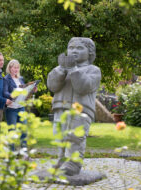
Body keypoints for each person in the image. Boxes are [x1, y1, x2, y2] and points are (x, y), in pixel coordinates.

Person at [47, 37, 101, 176]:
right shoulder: (60, 68)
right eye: (71, 48)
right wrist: (61, 69)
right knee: (60, 135)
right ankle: (61, 159)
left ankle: (73, 163)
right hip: (61, 107)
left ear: (89, 52)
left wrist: (73, 70)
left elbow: (83, 87)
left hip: (81, 109)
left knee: (75, 137)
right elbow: (52, 85)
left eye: (79, 48)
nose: (74, 51)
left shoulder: (93, 70)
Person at [3, 59, 28, 151]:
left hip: (21, 107)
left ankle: (24, 152)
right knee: (12, 132)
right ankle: (11, 152)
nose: (16, 69)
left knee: (24, 131)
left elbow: (25, 91)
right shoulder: (6, 79)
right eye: (14, 67)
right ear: (9, 68)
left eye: (17, 68)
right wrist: (13, 95)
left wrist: (32, 90)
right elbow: (4, 92)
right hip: (11, 109)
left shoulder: (21, 79)